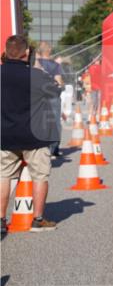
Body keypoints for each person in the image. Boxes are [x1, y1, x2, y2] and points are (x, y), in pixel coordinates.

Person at [1, 35, 61, 233]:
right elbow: (55, 92)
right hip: (34, 136)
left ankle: (1, 220)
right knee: (39, 176)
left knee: (3, 176)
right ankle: (38, 219)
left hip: (6, 135)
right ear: (26, 53)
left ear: (6, 51)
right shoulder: (36, 75)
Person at [34, 41, 64, 158]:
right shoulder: (54, 65)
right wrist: (62, 86)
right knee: (55, 122)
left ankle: (42, 148)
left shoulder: (36, 63)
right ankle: (54, 149)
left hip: (39, 96)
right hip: (52, 96)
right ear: (49, 51)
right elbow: (59, 81)